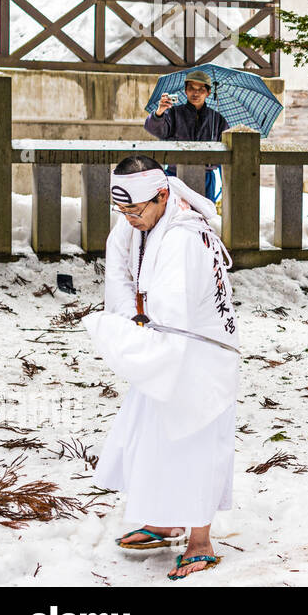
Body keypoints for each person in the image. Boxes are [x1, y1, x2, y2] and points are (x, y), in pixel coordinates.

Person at [82, 155, 240, 580]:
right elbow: (118, 271)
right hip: (162, 342)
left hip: (198, 350)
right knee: (155, 437)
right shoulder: (139, 222)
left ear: (163, 195)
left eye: (137, 211)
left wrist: (138, 334)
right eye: (123, 211)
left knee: (196, 440)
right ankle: (165, 520)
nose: (130, 219)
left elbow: (175, 309)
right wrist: (125, 319)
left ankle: (200, 539)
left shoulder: (184, 236)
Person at [144, 70, 230, 202]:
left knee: (203, 215)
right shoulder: (173, 113)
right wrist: (160, 112)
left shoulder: (217, 119)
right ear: (185, 90)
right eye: (191, 88)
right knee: (175, 214)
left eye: (201, 89)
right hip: (175, 174)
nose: (195, 93)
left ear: (208, 92)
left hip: (206, 176)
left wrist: (211, 161)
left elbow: (226, 147)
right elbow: (156, 129)